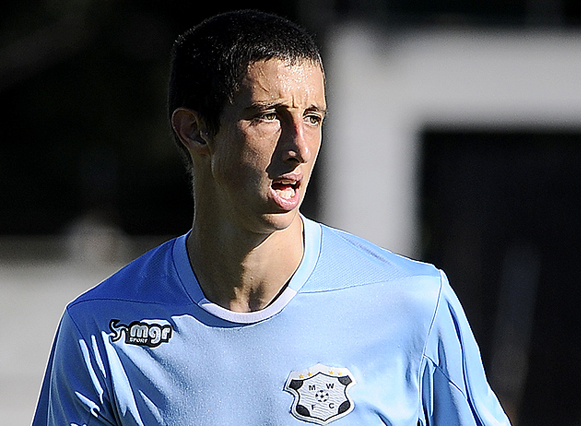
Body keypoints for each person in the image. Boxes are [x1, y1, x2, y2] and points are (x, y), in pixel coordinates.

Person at [33, 10, 511, 426]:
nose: (299, 146)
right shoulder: (100, 328)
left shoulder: (414, 303)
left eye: (313, 117)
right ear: (195, 131)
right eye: (268, 115)